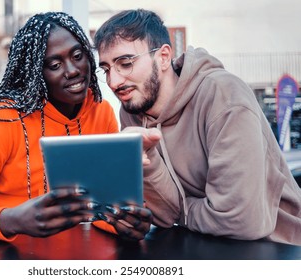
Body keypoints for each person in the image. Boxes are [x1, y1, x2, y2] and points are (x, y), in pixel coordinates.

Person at [0, 12, 152, 241]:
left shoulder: (100, 110)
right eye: (55, 64)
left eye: (78, 55)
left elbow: (100, 207)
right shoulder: (1, 122)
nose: (72, 70)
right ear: (34, 73)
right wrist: (11, 220)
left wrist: (122, 223)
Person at [93, 9, 301, 245]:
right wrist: (147, 159)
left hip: (279, 249)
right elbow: (163, 215)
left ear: (163, 57)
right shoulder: (132, 109)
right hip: (202, 246)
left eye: (126, 63)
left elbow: (240, 220)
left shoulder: (223, 95)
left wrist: (182, 211)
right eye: (107, 69)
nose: (114, 81)